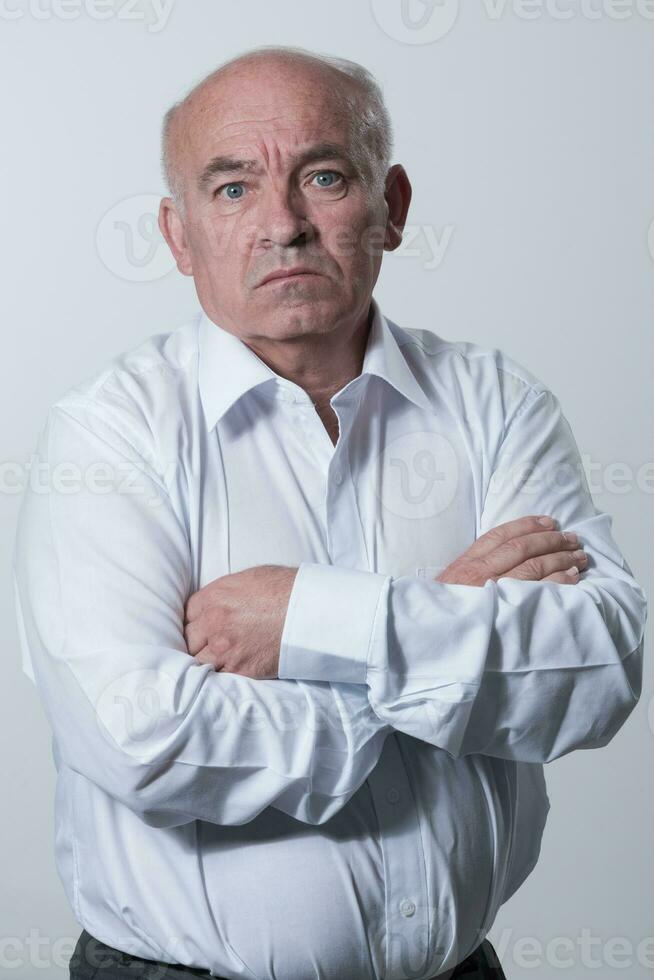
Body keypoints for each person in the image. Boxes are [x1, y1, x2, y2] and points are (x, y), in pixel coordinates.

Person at [13, 45, 646, 980]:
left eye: (323, 176)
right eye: (230, 190)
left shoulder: (494, 401)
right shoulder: (110, 433)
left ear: (391, 206)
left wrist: (306, 620)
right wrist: (436, 622)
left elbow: (597, 666)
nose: (283, 225)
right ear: (178, 235)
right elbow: (144, 741)